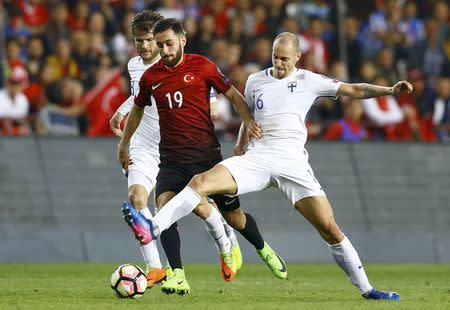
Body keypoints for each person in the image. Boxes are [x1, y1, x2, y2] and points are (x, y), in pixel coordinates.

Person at [129, 32, 414, 301]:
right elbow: (247, 116)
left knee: (329, 228)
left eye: (284, 59)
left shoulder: (309, 80)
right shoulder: (255, 81)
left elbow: (353, 89)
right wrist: (240, 146)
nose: (278, 64)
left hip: (292, 163)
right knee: (199, 183)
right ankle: (152, 227)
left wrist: (389, 90)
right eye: (275, 57)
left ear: (298, 57)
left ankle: (367, 289)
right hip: (258, 157)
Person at [117, 18, 286, 294]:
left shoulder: (202, 66)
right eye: (160, 45)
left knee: (235, 217)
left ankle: (262, 247)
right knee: (165, 206)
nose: (165, 50)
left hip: (207, 159)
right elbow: (137, 109)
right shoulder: (151, 77)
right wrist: (124, 145)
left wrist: (248, 122)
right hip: (171, 160)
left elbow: (231, 94)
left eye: (168, 44)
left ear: (182, 40)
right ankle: (178, 275)